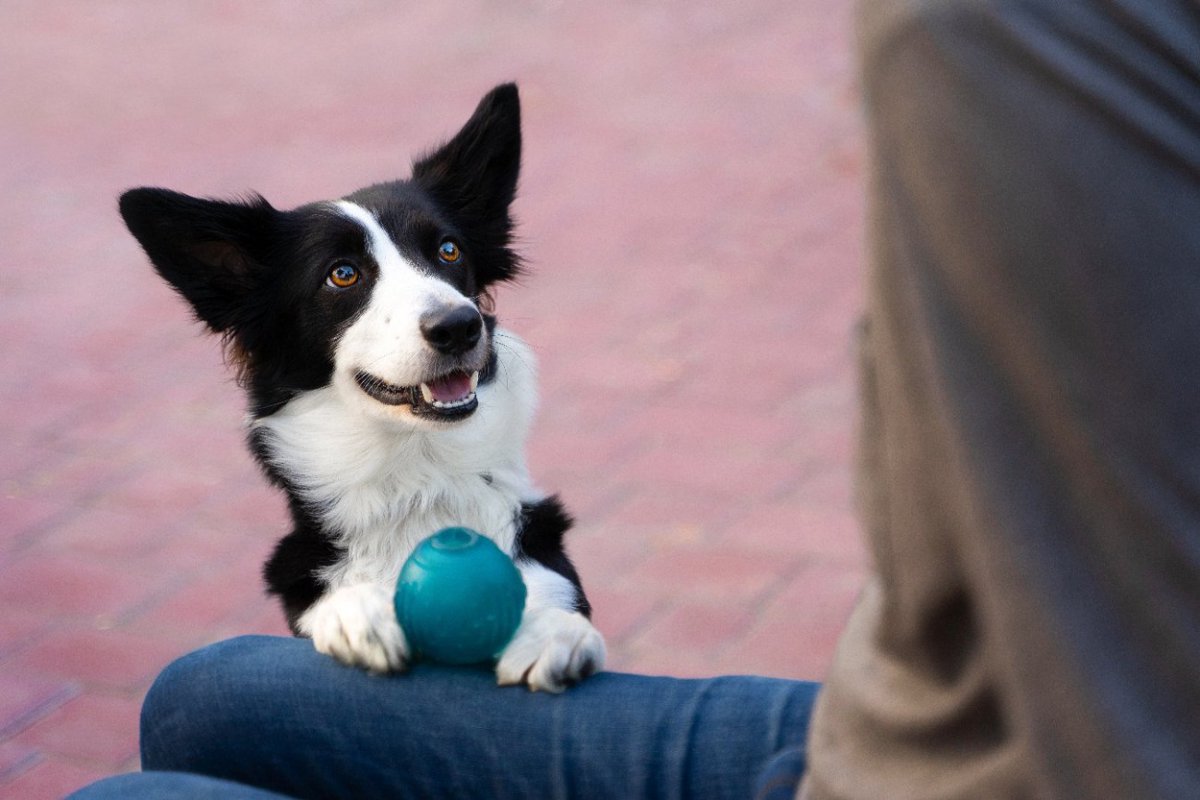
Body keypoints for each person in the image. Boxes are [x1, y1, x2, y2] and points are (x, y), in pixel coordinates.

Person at [73, 0, 1200, 797]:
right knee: (197, 697)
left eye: (451, 260)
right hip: (887, 726)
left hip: (947, 757)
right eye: (349, 278)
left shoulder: (998, 44)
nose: (448, 304)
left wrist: (554, 612)